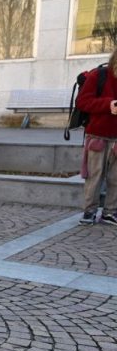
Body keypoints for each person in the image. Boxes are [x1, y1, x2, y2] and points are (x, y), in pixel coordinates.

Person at [76, 47, 117, 226]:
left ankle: (109, 212)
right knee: (95, 175)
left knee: (116, 178)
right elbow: (82, 102)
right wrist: (108, 104)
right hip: (98, 135)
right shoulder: (99, 75)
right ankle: (89, 211)